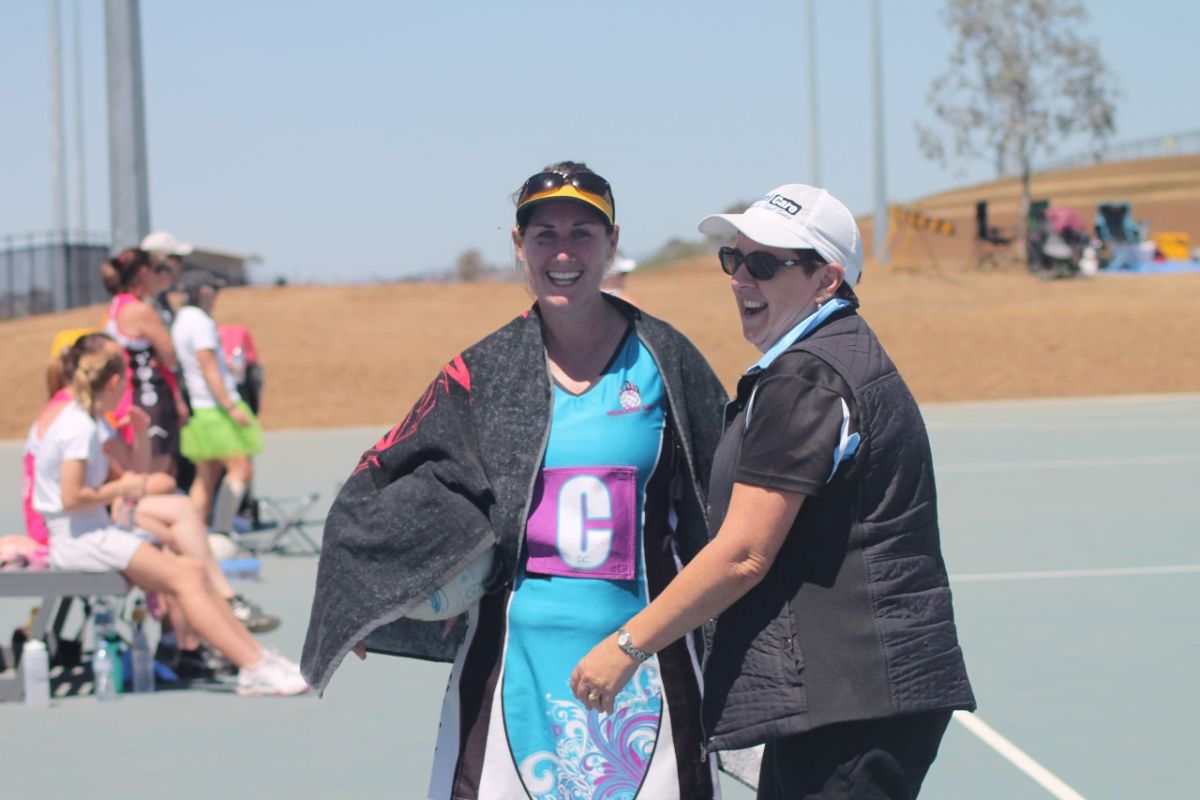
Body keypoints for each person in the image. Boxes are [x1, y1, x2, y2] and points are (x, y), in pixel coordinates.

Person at [303, 162, 728, 799]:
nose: (563, 252)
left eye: (583, 233)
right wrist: (368, 592)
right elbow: (383, 476)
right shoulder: (482, 371)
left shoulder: (668, 360)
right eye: (544, 234)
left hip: (650, 667)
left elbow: (726, 504)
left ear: (613, 243)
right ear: (518, 245)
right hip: (512, 671)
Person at [569, 184, 976, 799]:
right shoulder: (819, 361)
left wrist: (629, 646)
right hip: (848, 699)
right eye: (735, 259)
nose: (740, 278)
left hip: (854, 703)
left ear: (826, 280)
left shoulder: (808, 379)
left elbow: (743, 553)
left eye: (765, 264)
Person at [29, 348, 307, 696]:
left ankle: (258, 658)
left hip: (96, 532)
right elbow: (71, 498)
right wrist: (123, 487)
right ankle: (253, 666)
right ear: (115, 383)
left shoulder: (88, 420)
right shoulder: (77, 428)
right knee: (184, 578)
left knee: (192, 569)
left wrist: (140, 438)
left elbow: (134, 469)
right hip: (80, 540)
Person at [170, 269, 262, 539]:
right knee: (240, 468)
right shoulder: (200, 322)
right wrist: (231, 406)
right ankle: (222, 530)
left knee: (206, 475)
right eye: (213, 290)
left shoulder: (181, 320)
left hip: (201, 408)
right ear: (204, 291)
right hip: (216, 408)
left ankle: (197, 534)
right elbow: (208, 366)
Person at [101, 248, 188, 475]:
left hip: (129, 396)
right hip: (148, 397)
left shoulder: (117, 305)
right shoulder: (139, 310)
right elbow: (171, 355)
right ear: (143, 272)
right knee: (157, 475)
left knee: (144, 472)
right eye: (154, 270)